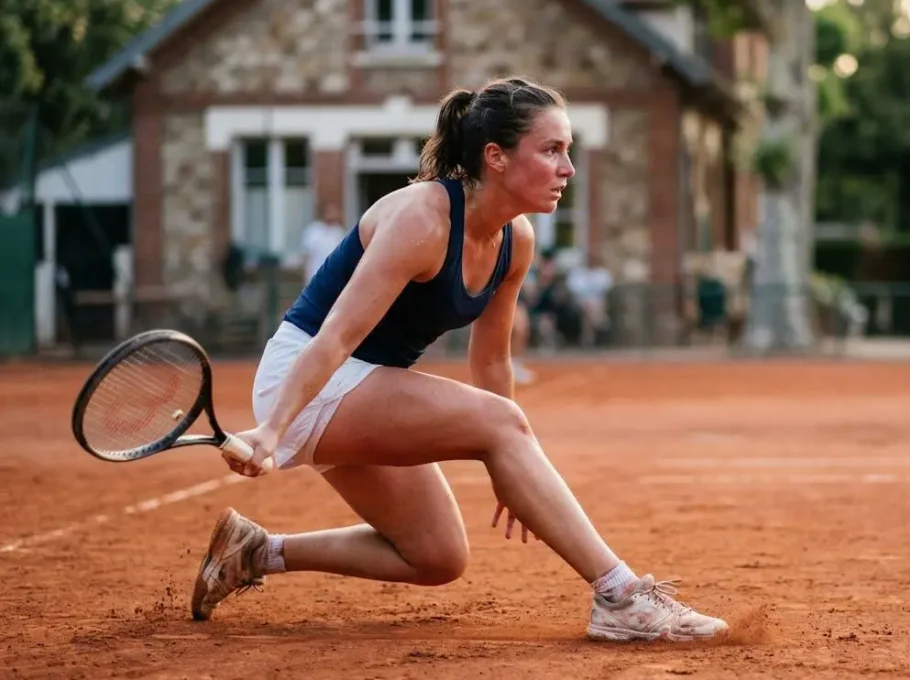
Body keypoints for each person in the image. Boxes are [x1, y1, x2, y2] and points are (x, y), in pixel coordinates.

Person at [191, 77, 729, 643]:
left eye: (567, 150)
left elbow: (493, 360)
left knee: (436, 555)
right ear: (495, 157)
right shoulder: (423, 220)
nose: (568, 168)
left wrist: (514, 472)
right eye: (551, 150)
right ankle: (620, 597)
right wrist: (274, 429)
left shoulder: (514, 239)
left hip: (363, 382)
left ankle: (256, 552)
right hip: (309, 375)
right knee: (502, 424)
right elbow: (335, 337)